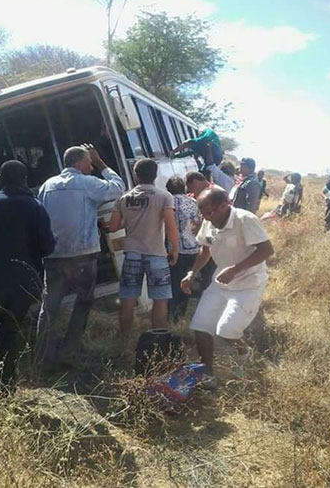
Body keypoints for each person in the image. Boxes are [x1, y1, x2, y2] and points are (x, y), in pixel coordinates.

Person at [36, 144, 125, 367]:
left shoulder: (48, 185)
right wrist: (102, 163)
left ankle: (42, 358)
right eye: (88, 162)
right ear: (78, 163)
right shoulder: (88, 183)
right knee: (84, 301)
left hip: (53, 255)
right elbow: (118, 187)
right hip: (83, 255)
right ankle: (68, 350)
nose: (90, 165)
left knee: (49, 309)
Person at [180, 186, 274, 387]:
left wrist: (235, 269)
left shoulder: (244, 219)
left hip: (248, 283)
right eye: (202, 212)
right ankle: (208, 374)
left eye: (209, 212)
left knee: (227, 330)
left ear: (224, 206)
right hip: (221, 281)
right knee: (201, 326)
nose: (204, 217)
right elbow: (205, 249)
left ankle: (243, 351)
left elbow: (266, 250)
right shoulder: (210, 221)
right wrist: (192, 273)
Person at [0, 160, 55, 387]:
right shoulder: (36, 207)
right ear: (25, 178)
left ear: (0, 178)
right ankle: (7, 383)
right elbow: (48, 246)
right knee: (10, 331)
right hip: (24, 281)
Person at [109, 158, 179, 350]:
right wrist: (175, 249)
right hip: (156, 253)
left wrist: (130, 222)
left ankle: (124, 342)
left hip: (132, 253)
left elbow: (113, 226)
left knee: (128, 300)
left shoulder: (124, 198)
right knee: (160, 300)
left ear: (135, 175)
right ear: (155, 174)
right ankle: (159, 343)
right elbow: (171, 227)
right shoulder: (164, 196)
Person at [165, 176, 202, 324]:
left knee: (174, 284)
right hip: (193, 248)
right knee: (186, 283)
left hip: (176, 250)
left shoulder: (169, 203)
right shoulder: (193, 202)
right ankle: (181, 314)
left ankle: (172, 317)